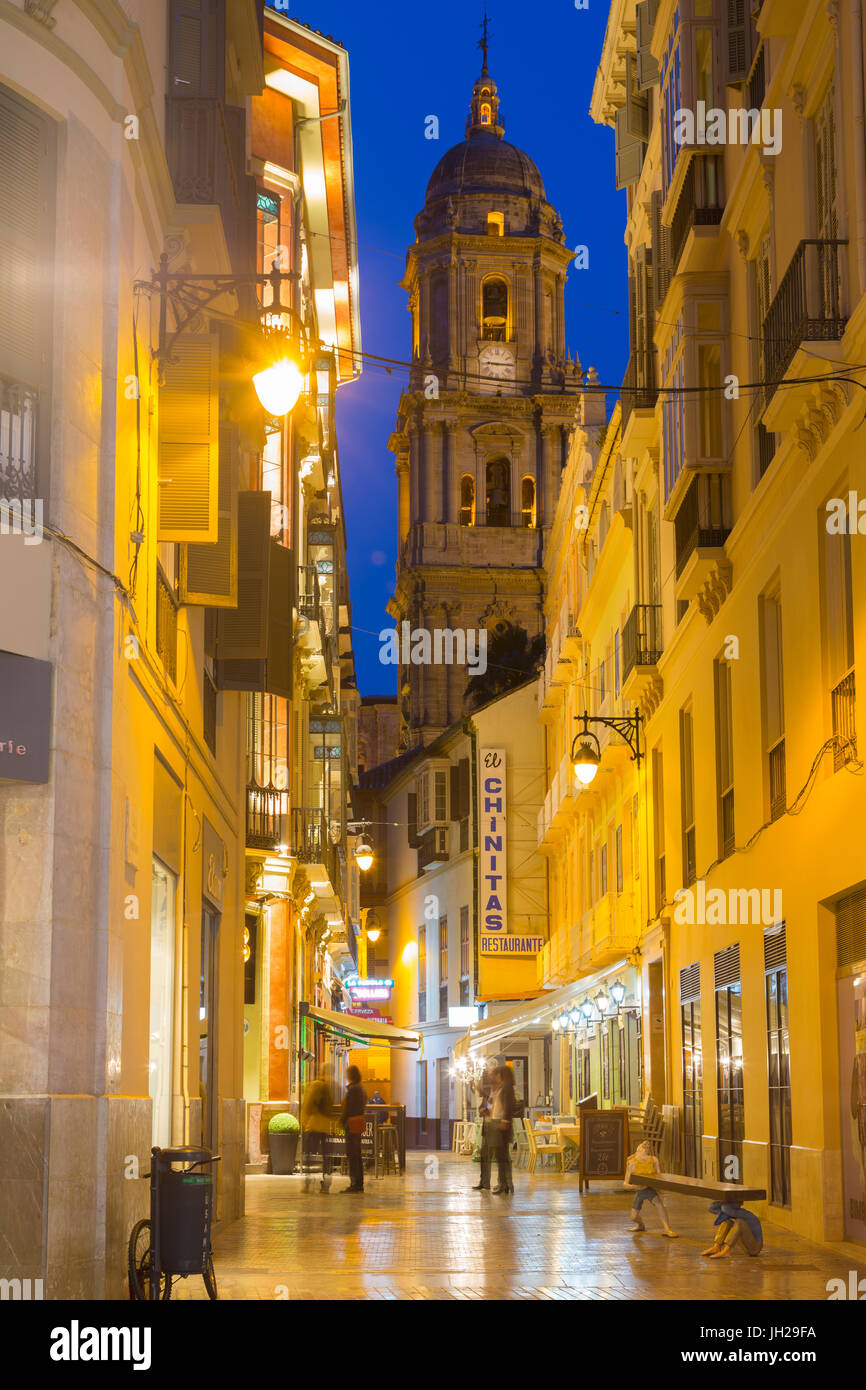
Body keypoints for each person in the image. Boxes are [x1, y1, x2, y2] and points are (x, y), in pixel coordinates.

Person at [475, 1065, 515, 1194]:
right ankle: (492, 1183)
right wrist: (485, 1110)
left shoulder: (506, 1088)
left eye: (494, 1074)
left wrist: (505, 1121)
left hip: (499, 1126)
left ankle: (505, 1184)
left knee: (502, 1157)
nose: (491, 1076)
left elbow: (508, 1107)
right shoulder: (496, 1089)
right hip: (491, 1124)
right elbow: (491, 1105)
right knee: (493, 1155)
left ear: (501, 1075)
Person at [624, 1141, 677, 1237]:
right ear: (638, 1149)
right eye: (643, 1146)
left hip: (650, 1189)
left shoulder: (654, 1160)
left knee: (659, 1204)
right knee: (633, 1217)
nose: (646, 1146)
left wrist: (660, 1187)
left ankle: (667, 1229)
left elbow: (659, 1176)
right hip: (640, 1190)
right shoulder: (632, 1162)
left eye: (648, 1147)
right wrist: (637, 1187)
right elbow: (625, 1184)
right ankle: (641, 1225)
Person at [300, 1072, 334, 1193]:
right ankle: (326, 1183)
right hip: (325, 1127)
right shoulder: (328, 1089)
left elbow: (307, 1106)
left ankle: (308, 1183)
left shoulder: (314, 1086)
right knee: (326, 1156)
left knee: (309, 1156)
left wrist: (304, 1122)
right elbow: (330, 1108)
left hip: (313, 1126)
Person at [340, 1065, 367, 1194]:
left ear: (350, 1075)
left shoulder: (353, 1089)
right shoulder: (361, 1088)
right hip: (358, 1123)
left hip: (351, 1124)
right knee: (357, 1155)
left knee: (352, 1155)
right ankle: (359, 1183)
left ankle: (354, 1184)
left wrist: (342, 1120)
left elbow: (348, 1108)